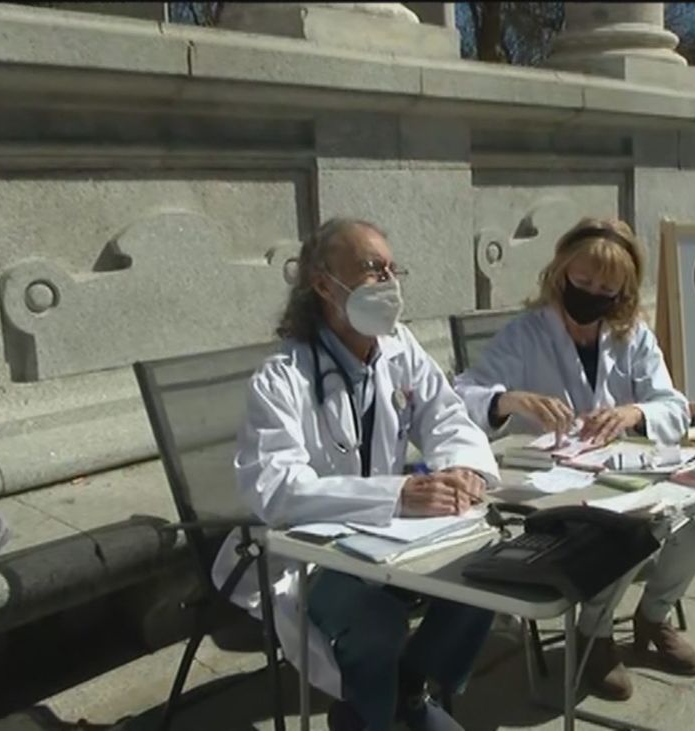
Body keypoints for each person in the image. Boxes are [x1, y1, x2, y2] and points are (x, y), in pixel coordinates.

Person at [210, 218, 501, 731]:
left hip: (392, 545)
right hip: (310, 556)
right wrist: (397, 495)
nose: (388, 282)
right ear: (323, 284)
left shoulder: (400, 349)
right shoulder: (282, 378)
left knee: (489, 575)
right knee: (376, 622)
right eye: (372, 269)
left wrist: (465, 467)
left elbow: (447, 417)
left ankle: (405, 692)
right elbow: (277, 491)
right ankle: (383, 715)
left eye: (392, 269)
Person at [453, 218, 695, 701]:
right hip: (548, 489)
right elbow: (462, 394)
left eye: (606, 289)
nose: (591, 295)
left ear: (622, 292)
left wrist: (635, 412)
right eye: (583, 281)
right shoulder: (526, 333)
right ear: (561, 272)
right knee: (629, 530)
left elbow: (676, 408)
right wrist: (509, 400)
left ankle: (653, 617)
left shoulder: (632, 336)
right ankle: (593, 632)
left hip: (619, 476)